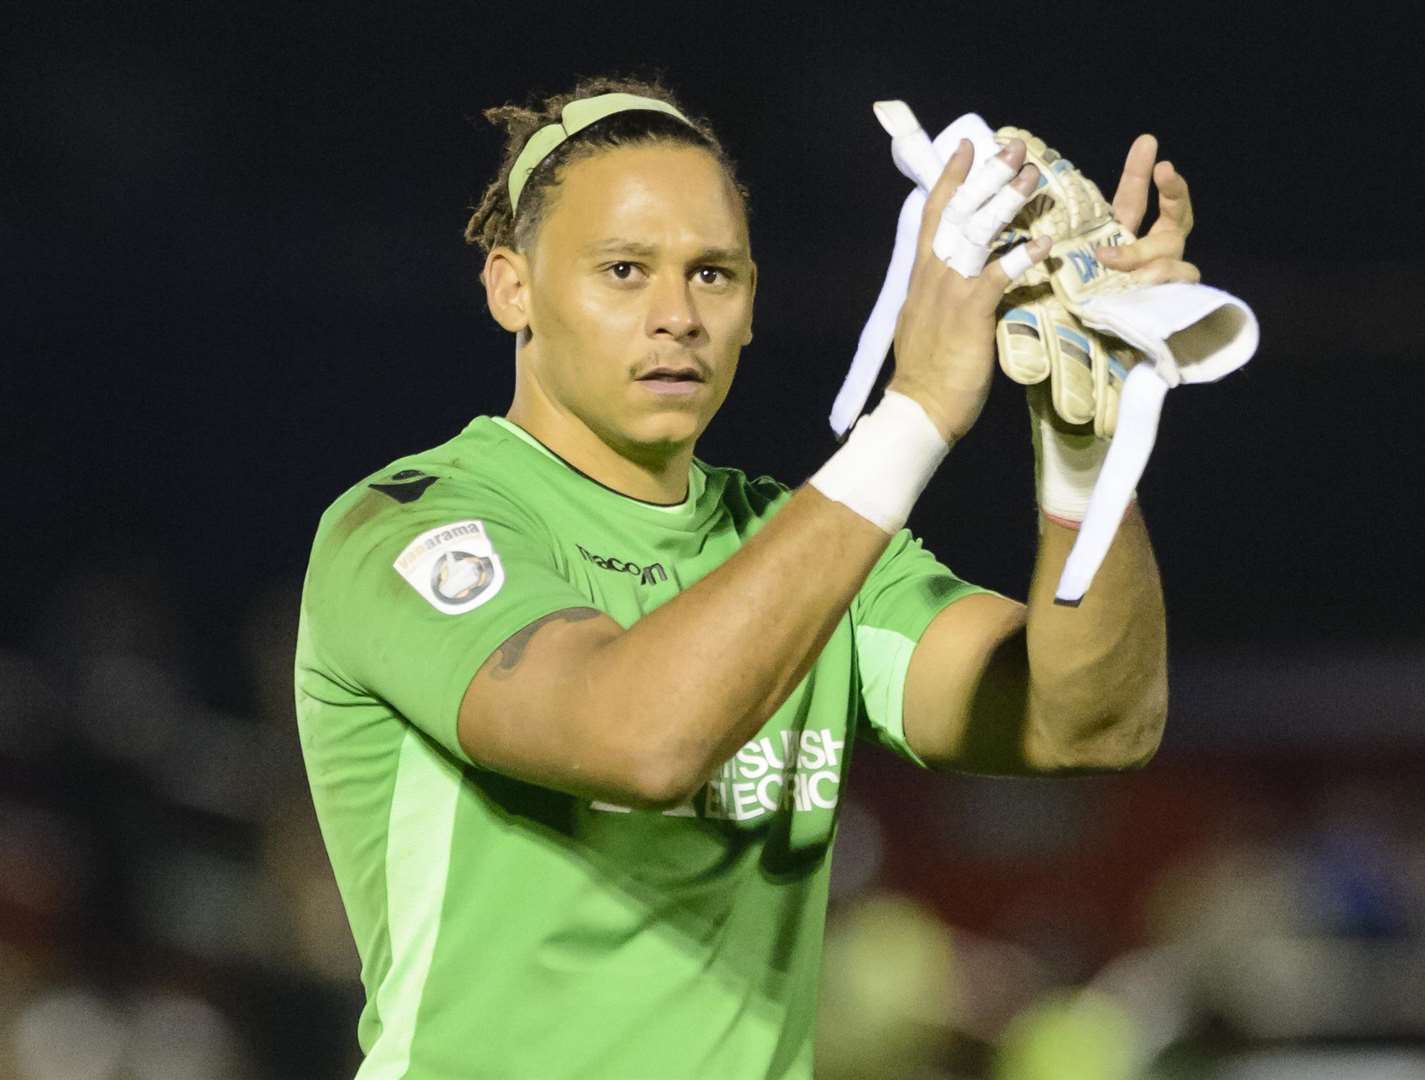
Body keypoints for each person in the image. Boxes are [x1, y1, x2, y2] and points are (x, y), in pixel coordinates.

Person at [294, 73, 1197, 1079]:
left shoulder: (807, 549)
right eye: (625, 270)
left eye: (713, 275)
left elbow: (1094, 720)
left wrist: (1087, 442)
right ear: (513, 287)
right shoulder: (410, 525)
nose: (677, 314)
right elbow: (639, 738)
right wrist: (918, 409)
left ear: (753, 305)